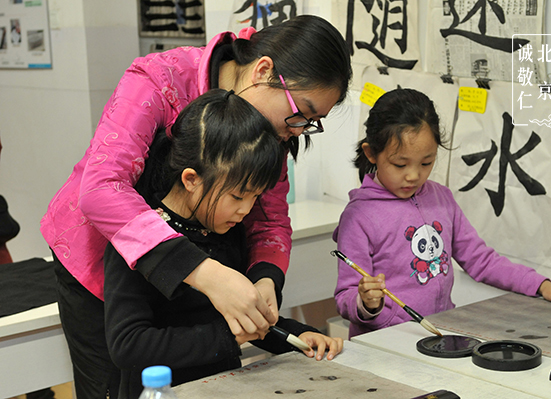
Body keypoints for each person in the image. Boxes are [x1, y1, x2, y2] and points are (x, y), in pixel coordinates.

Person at [40, 15, 351, 398]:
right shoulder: (160, 78)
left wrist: (265, 280)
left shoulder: (272, 130)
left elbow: (270, 221)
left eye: (312, 122)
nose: (297, 130)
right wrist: (205, 273)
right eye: (300, 113)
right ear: (264, 70)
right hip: (104, 258)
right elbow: (103, 189)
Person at [104, 89, 343, 398]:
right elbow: (128, 345)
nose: (245, 210)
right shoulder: (140, 241)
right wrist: (228, 337)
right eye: (237, 196)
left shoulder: (227, 229)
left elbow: (248, 322)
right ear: (191, 179)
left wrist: (298, 336)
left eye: (255, 197)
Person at [333, 88, 551, 339]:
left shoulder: (441, 198)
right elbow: (346, 296)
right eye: (400, 164)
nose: (414, 175)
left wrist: (540, 285)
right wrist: (365, 303)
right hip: (384, 344)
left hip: (437, 333)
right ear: (371, 153)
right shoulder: (359, 217)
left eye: (427, 163)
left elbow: (481, 260)